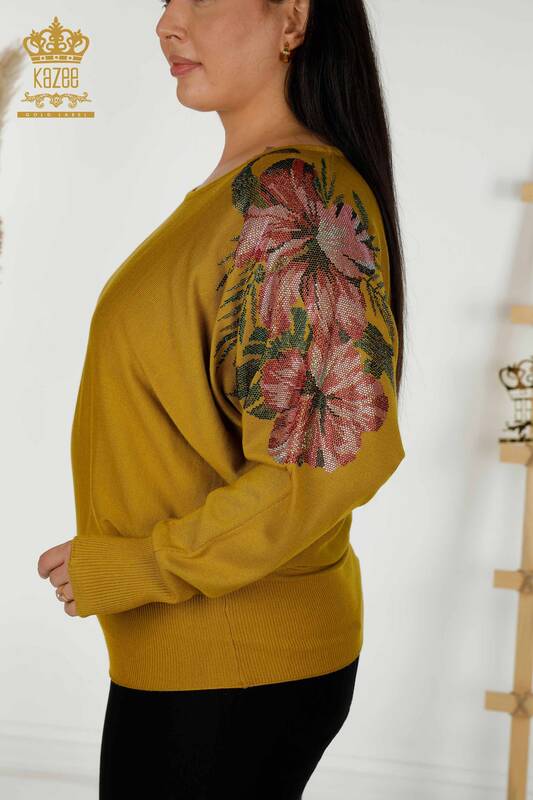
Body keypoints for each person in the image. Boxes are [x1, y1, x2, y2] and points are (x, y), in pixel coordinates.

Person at [37, 0, 407, 797]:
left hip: (230, 673)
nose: (168, 22)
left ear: (293, 18)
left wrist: (142, 565)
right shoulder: (248, 194)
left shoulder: (297, 200)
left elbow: (326, 464)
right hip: (205, 665)